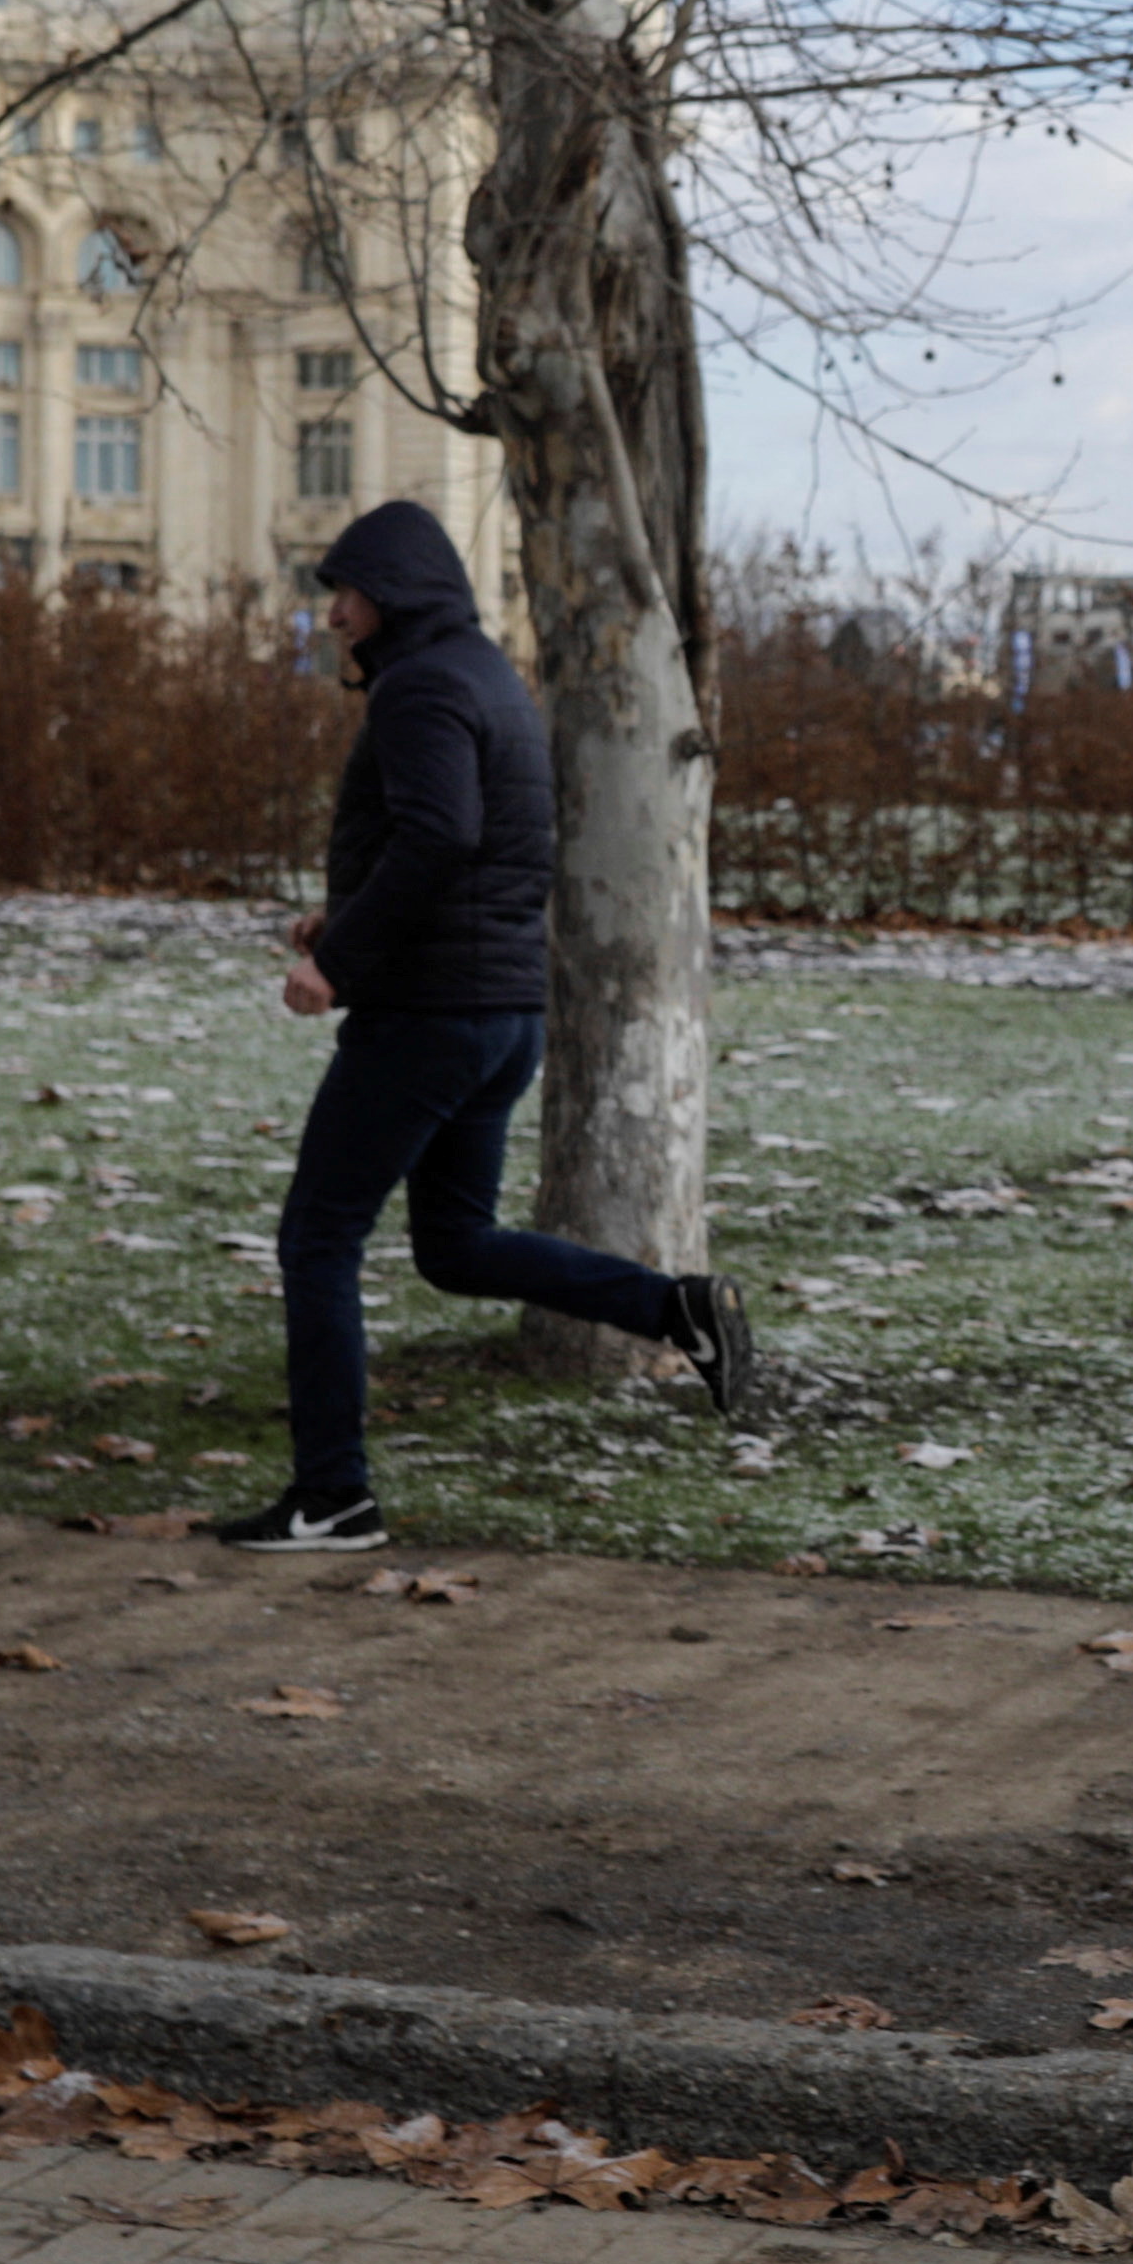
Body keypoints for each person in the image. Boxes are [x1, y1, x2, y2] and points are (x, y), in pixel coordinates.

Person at [221, 501, 753, 1552]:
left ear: (397, 592)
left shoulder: (420, 688)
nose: (333, 616)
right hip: (501, 1014)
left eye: (347, 592)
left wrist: (339, 960)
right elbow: (479, 847)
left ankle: (334, 1494)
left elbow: (439, 838)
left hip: (427, 1018)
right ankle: (677, 1308)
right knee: (455, 1245)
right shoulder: (488, 679)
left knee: (317, 1238)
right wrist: (350, 909)